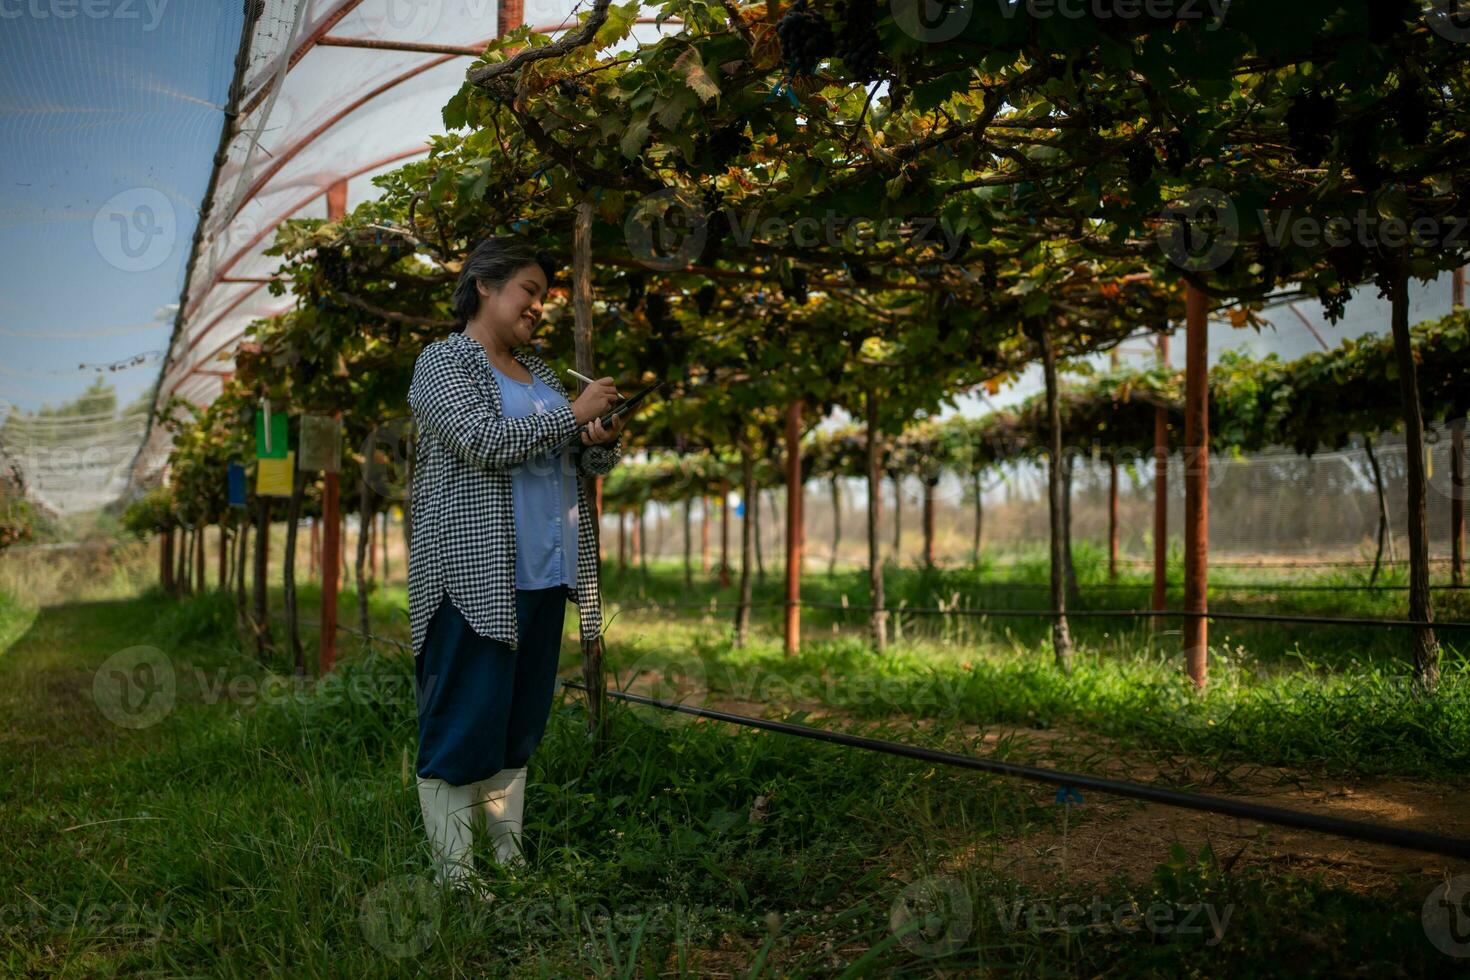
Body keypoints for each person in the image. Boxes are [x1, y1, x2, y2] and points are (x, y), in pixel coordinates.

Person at [406, 234, 626, 892]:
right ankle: (455, 876)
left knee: (517, 723)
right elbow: (481, 441)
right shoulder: (444, 363)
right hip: (473, 576)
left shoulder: (544, 377)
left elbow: (579, 461)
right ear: (484, 285)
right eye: (529, 291)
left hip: (544, 571)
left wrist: (598, 437)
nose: (538, 307)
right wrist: (570, 414)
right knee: (463, 721)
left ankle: (507, 857)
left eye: (544, 297)